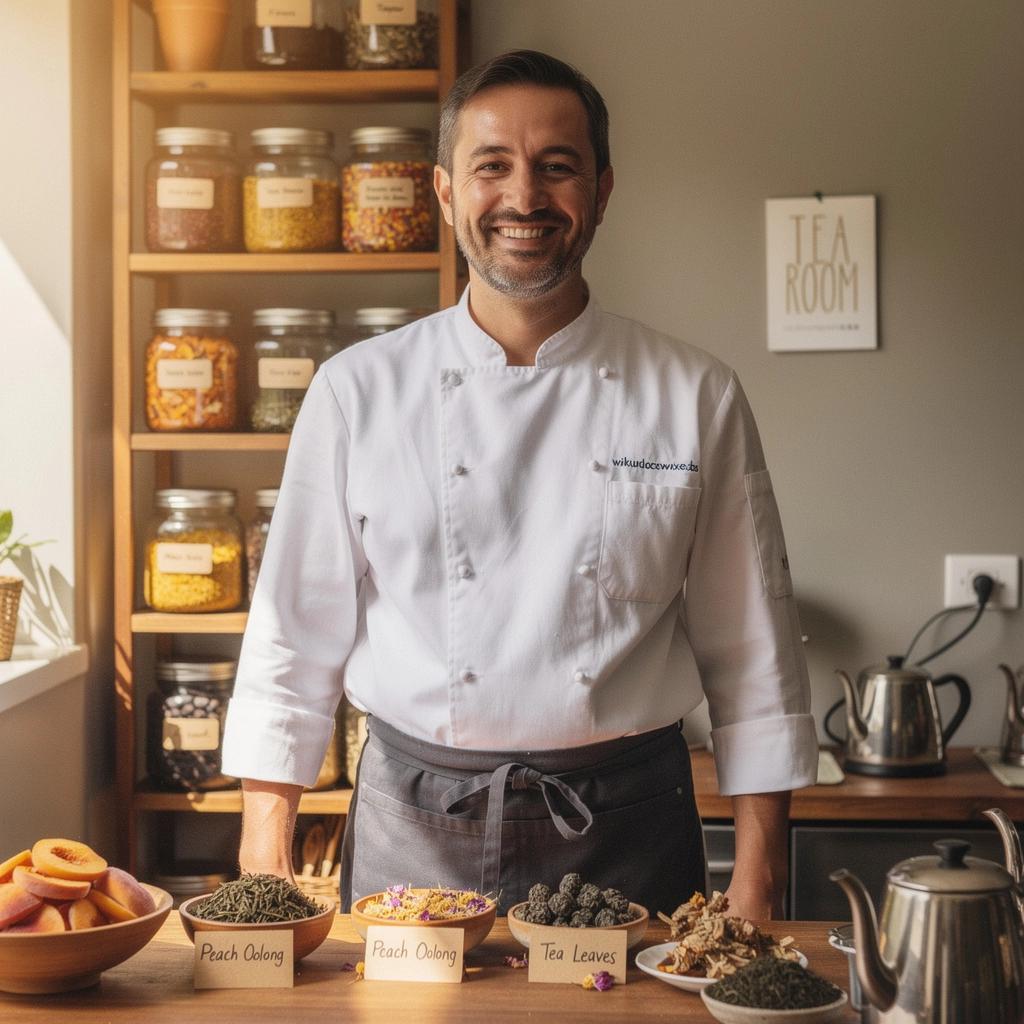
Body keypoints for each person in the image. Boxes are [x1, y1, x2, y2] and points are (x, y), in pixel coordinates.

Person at [221, 49, 816, 921]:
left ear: (603, 190)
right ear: (445, 191)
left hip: (630, 823)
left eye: (557, 167)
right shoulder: (356, 391)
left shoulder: (695, 394)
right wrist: (263, 854)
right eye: (491, 166)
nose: (524, 198)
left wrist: (759, 877)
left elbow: (753, 650)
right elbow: (291, 639)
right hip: (413, 821)